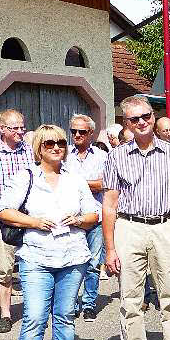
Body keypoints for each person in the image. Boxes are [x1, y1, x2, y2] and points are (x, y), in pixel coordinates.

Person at [0, 126, 100, 340]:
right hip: (36, 256)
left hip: (72, 255)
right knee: (34, 315)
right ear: (39, 148)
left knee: (65, 314)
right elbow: (5, 211)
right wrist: (34, 222)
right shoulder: (26, 176)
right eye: (49, 144)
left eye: (61, 143)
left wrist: (79, 219)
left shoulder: (75, 179)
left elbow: (93, 214)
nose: (57, 147)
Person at [103, 95, 170, 340]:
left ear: (153, 118)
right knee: (130, 298)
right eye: (134, 119)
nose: (141, 122)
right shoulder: (116, 156)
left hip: (165, 227)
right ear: (125, 122)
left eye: (146, 117)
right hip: (128, 228)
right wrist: (110, 248)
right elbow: (109, 204)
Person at [0, 108, 33, 334]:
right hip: (1, 219)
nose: (21, 132)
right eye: (15, 128)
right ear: (2, 129)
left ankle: (34, 310)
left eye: (23, 127)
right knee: (4, 268)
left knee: (33, 264)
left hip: (31, 217)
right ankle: (5, 314)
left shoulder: (30, 151)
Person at [65, 114, 107, 322]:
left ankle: (89, 303)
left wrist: (79, 183)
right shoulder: (64, 155)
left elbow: (104, 184)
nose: (77, 135)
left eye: (82, 131)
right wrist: (88, 183)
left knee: (92, 263)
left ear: (92, 133)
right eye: (73, 131)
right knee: (71, 263)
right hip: (71, 218)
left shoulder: (101, 156)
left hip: (96, 218)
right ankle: (71, 304)